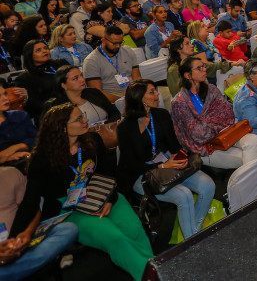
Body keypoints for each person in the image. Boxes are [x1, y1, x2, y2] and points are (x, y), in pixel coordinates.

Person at [11, 103, 153, 280]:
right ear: (62, 128)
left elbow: (107, 174)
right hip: (68, 208)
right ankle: (151, 277)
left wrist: (110, 199)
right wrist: (13, 237)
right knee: (114, 238)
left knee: (134, 229)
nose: (86, 120)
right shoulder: (41, 158)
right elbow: (31, 200)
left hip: (101, 193)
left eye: (83, 115)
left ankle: (155, 270)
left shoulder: (93, 140)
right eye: (79, 119)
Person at [117, 80, 215, 239]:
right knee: (184, 195)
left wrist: (180, 156)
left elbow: (174, 145)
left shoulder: (161, 115)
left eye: (155, 90)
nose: (157, 94)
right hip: (141, 173)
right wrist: (161, 166)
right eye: (151, 92)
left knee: (208, 185)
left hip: (166, 162)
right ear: (140, 98)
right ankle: (193, 241)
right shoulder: (125, 128)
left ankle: (193, 235)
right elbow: (131, 164)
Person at [170, 57, 257, 169]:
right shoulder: (180, 102)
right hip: (204, 147)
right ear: (187, 75)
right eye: (199, 68)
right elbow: (197, 135)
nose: (204, 69)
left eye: (203, 66)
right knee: (254, 157)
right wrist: (216, 123)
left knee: (254, 140)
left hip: (226, 134)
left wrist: (205, 123)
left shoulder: (211, 89)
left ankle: (254, 184)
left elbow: (228, 115)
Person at [0, 166, 79, 281]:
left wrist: (28, 233)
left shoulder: (10, 173)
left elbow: (33, 209)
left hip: (22, 241)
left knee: (69, 230)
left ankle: (12, 271)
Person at [43, 65, 121, 128]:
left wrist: (106, 127)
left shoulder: (93, 92)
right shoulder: (56, 105)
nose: (82, 80)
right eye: (75, 78)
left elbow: (114, 113)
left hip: (107, 133)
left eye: (81, 76)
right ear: (63, 85)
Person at [81, 26, 141, 102]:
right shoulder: (91, 61)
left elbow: (137, 78)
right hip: (112, 96)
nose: (118, 46)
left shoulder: (128, 52)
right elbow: (97, 94)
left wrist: (140, 93)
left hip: (132, 92)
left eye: (120, 42)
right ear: (103, 40)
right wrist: (125, 101)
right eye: (115, 43)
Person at [166, 34, 237, 97]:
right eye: (187, 44)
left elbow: (210, 68)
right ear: (178, 49)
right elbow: (176, 93)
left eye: (190, 43)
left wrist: (230, 64)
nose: (192, 45)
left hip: (203, 94)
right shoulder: (173, 70)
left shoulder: (193, 61)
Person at [13, 40, 68, 121]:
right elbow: (33, 107)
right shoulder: (24, 78)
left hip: (73, 104)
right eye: (38, 50)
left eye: (45, 48)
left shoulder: (60, 63)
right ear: (30, 55)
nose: (44, 51)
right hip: (49, 116)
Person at [0, 84, 36, 167]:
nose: (5, 98)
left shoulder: (20, 116)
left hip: (30, 162)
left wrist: (16, 147)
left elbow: (37, 139)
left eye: (5, 94)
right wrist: (7, 157)